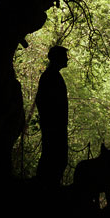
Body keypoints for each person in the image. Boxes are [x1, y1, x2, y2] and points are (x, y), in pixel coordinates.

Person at [36, 45, 69, 187]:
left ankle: (47, 187)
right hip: (54, 127)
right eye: (65, 56)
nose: (67, 59)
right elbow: (42, 101)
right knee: (55, 158)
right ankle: (47, 188)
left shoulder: (50, 75)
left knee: (53, 157)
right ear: (58, 58)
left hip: (53, 126)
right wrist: (52, 122)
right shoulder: (51, 76)